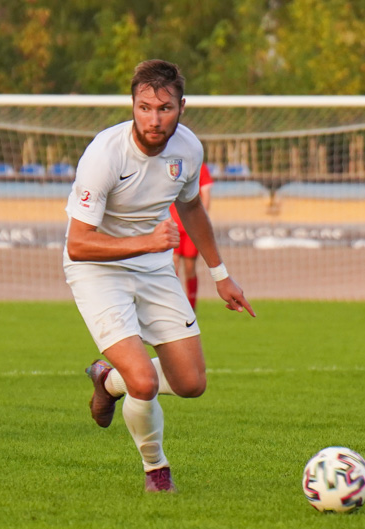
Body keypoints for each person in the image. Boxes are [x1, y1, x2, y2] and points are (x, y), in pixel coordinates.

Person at [63, 59, 255, 492]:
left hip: (152, 266)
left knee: (191, 383)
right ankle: (157, 470)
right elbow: (78, 244)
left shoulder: (188, 149)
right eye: (145, 107)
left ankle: (107, 380)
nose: (153, 118)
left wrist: (221, 274)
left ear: (181, 107)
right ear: (132, 104)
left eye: (164, 108)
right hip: (97, 269)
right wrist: (147, 242)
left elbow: (191, 207)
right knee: (145, 382)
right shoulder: (104, 154)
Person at [170, 162, 213, 310]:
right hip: (172, 224)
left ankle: (191, 308)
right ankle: (173, 306)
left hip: (190, 227)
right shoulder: (169, 162)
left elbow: (205, 194)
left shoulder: (199, 166)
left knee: (189, 267)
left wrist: (201, 222)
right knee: (172, 265)